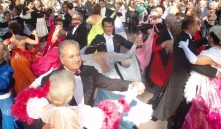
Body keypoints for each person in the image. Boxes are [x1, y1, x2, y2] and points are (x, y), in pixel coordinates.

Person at [12, 70, 141, 129]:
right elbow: (114, 109)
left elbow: (28, 92)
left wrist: (43, 77)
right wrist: (133, 92)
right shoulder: (80, 113)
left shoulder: (41, 107)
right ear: (69, 94)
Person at [153, 16, 220, 129]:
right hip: (182, 77)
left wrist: (205, 39)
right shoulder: (183, 39)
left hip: (182, 75)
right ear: (190, 28)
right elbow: (191, 64)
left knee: (183, 104)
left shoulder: (185, 37)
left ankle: (178, 123)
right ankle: (177, 124)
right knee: (181, 103)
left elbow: (192, 46)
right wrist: (213, 72)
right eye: (196, 26)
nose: (198, 28)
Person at [81, 35, 152, 128]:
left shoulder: (90, 57)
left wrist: (85, 47)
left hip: (103, 84)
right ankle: (120, 118)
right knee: (120, 102)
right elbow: (128, 55)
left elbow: (79, 56)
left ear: (95, 45)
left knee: (107, 108)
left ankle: (110, 121)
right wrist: (134, 44)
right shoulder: (111, 54)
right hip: (115, 82)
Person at [179, 26, 221, 128]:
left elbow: (193, 60)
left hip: (209, 89)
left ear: (211, 38)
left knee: (206, 115)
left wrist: (185, 47)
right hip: (220, 87)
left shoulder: (211, 53)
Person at [8, 22, 39, 94]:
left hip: (15, 58)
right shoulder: (24, 38)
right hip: (24, 57)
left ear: (11, 30)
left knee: (18, 77)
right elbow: (36, 42)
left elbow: (5, 47)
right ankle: (30, 91)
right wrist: (35, 34)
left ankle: (20, 93)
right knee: (27, 74)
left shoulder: (11, 39)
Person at [0, 42, 23, 129]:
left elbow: (2, 84)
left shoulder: (7, 68)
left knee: (10, 123)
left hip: (4, 101)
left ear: (4, 53)